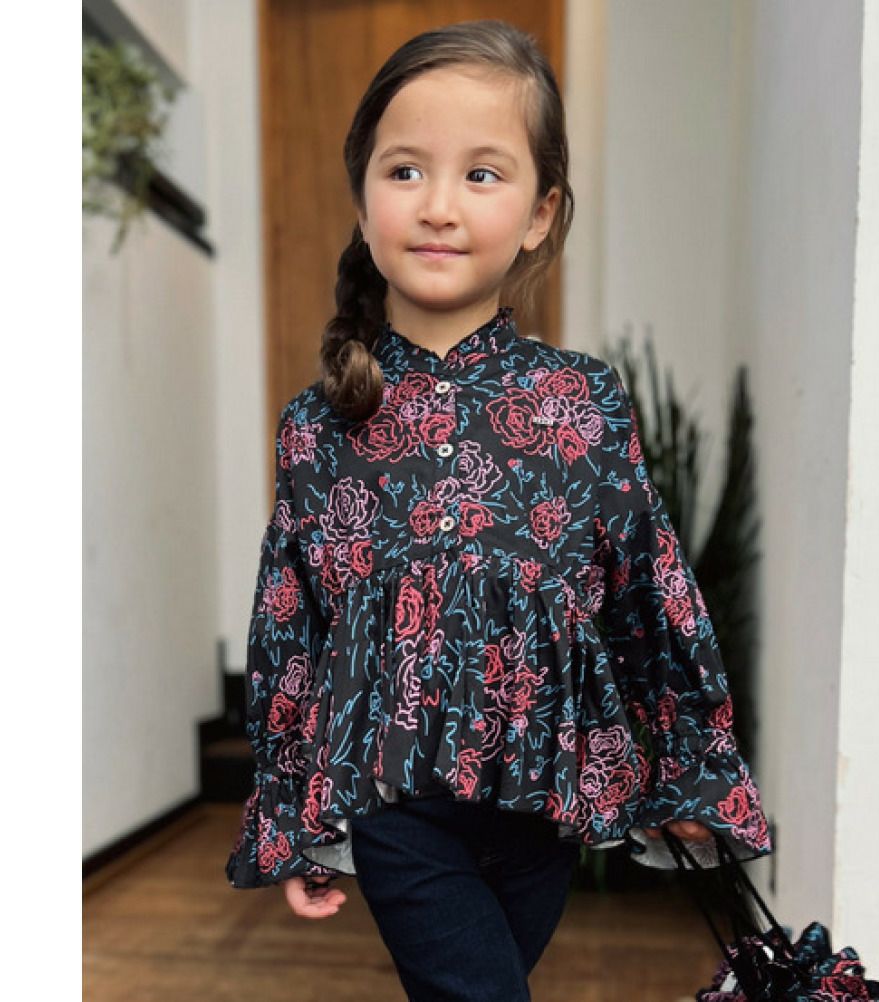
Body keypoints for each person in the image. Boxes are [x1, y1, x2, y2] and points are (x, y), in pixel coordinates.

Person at [225, 18, 772, 1001]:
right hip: (396, 800)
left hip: (544, 806)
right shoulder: (317, 425)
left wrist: (692, 769)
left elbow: (647, 588)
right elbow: (289, 623)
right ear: (362, 200)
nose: (438, 205)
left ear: (539, 213)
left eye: (482, 174)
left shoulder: (581, 402)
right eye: (405, 171)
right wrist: (290, 809)